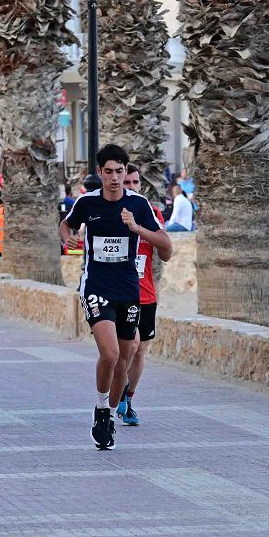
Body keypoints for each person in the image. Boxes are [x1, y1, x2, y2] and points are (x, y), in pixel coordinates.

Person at [59, 144, 171, 450]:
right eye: (108, 172)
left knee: (125, 357)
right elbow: (66, 223)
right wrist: (67, 235)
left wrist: (135, 228)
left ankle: (109, 413)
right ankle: (100, 407)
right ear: (99, 173)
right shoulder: (87, 203)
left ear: (126, 172)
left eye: (120, 172)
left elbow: (166, 247)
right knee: (109, 354)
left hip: (128, 290)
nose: (114, 178)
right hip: (96, 286)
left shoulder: (138, 205)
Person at [116, 164, 172, 427]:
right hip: (118, 292)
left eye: (134, 183)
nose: (130, 187)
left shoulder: (151, 214)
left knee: (140, 352)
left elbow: (166, 251)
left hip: (146, 294)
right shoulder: (109, 212)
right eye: (126, 183)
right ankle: (113, 395)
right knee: (132, 344)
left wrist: (140, 228)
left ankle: (127, 399)